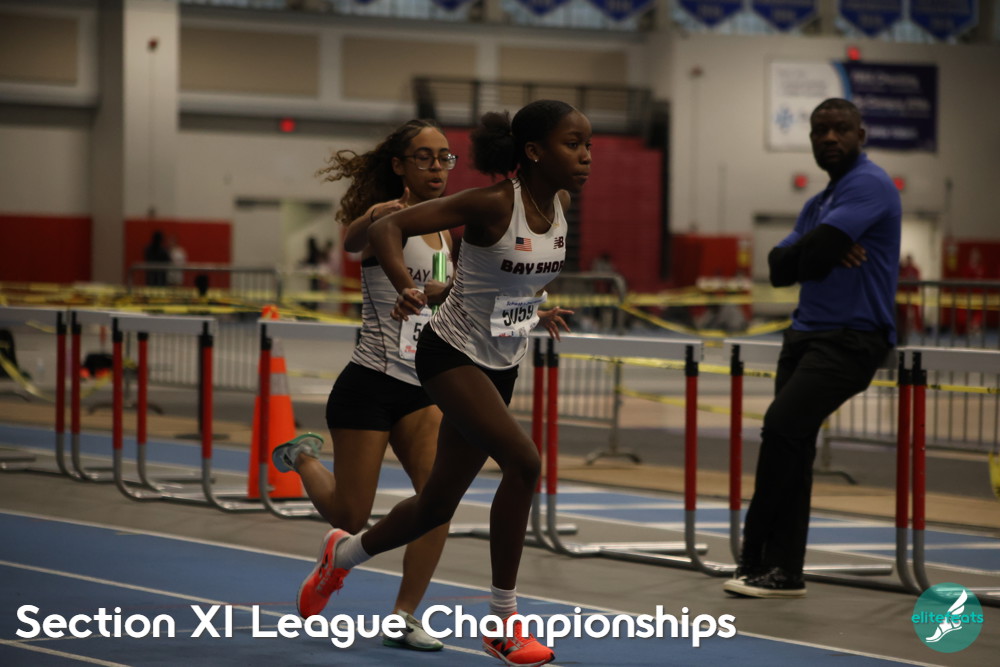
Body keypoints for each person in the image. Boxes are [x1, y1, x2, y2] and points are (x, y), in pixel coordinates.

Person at [291, 100, 588, 667]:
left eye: (588, 145)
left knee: (435, 505)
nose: (586, 156)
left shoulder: (560, 207)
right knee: (524, 463)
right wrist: (404, 285)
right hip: (445, 357)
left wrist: (533, 312)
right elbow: (383, 229)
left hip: (499, 361)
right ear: (533, 152)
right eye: (573, 144)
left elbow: (487, 291)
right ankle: (502, 621)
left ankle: (342, 557)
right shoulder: (490, 202)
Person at [270, 119, 457, 651]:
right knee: (350, 516)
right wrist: (372, 214)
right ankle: (304, 458)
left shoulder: (447, 230)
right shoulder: (387, 217)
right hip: (370, 383)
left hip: (422, 387)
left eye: (445, 157)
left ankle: (403, 616)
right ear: (399, 165)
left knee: (436, 502)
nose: (437, 167)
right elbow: (354, 240)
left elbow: (445, 296)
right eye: (424, 157)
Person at [724, 98, 900, 598]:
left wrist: (817, 250)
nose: (829, 138)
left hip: (851, 339)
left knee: (782, 427)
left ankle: (763, 559)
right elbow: (779, 269)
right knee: (791, 445)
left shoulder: (869, 184)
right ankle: (777, 569)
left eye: (840, 129)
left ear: (860, 135)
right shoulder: (821, 201)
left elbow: (810, 257)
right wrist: (819, 248)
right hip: (804, 334)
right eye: (820, 130)